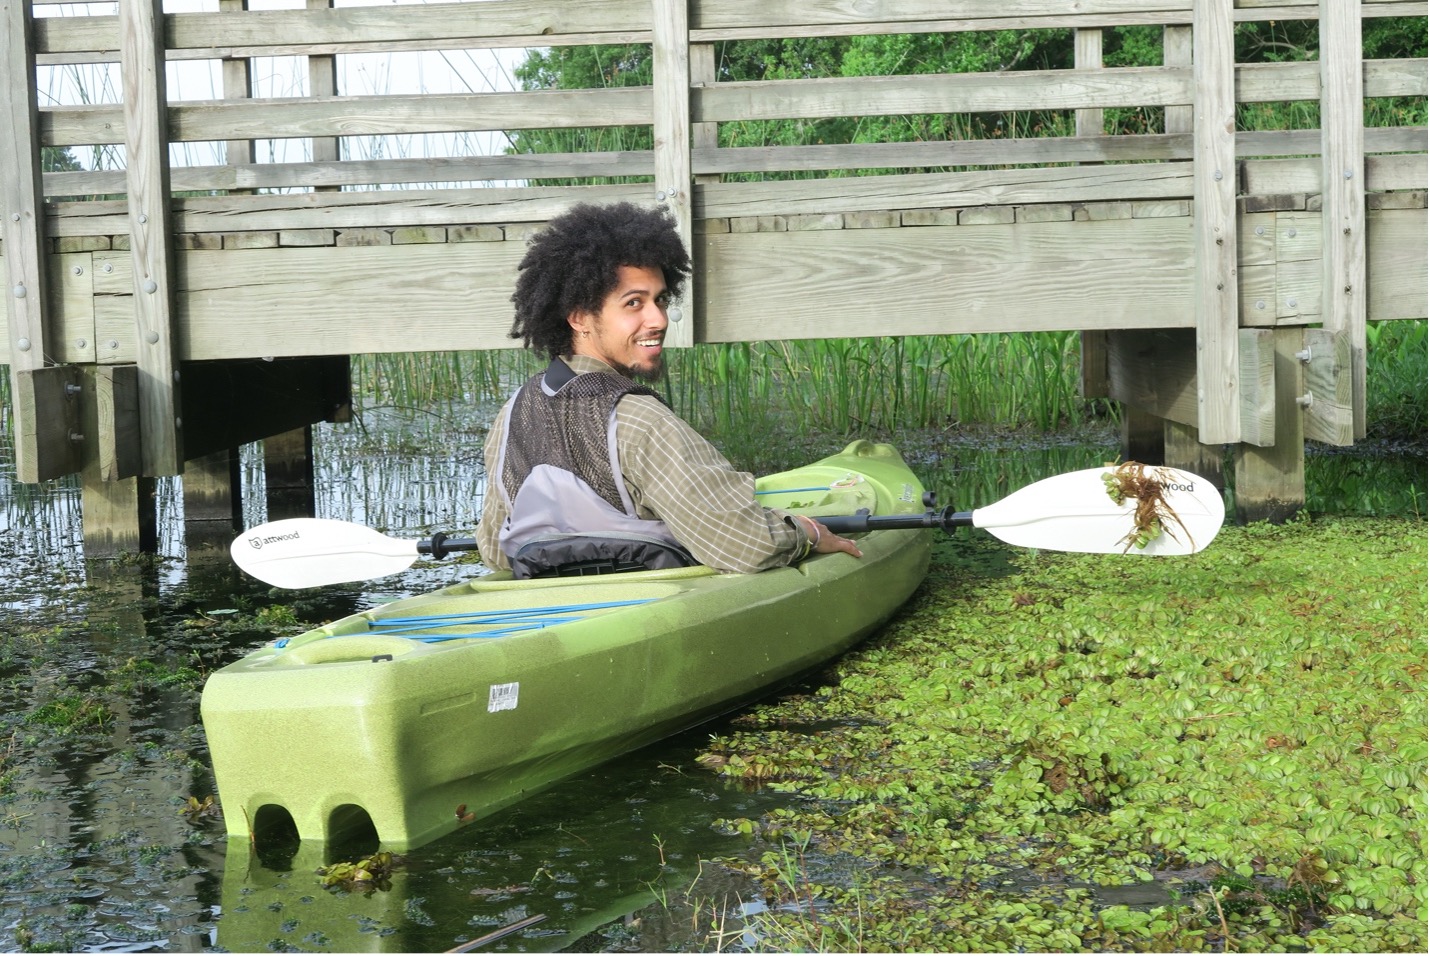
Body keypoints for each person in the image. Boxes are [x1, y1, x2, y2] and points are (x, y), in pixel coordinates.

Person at [476, 201, 861, 578]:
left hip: (548, 604)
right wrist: (806, 533)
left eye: (660, 300)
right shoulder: (639, 419)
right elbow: (747, 546)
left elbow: (495, 550)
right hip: (649, 602)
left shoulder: (512, 413)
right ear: (579, 317)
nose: (658, 319)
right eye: (633, 303)